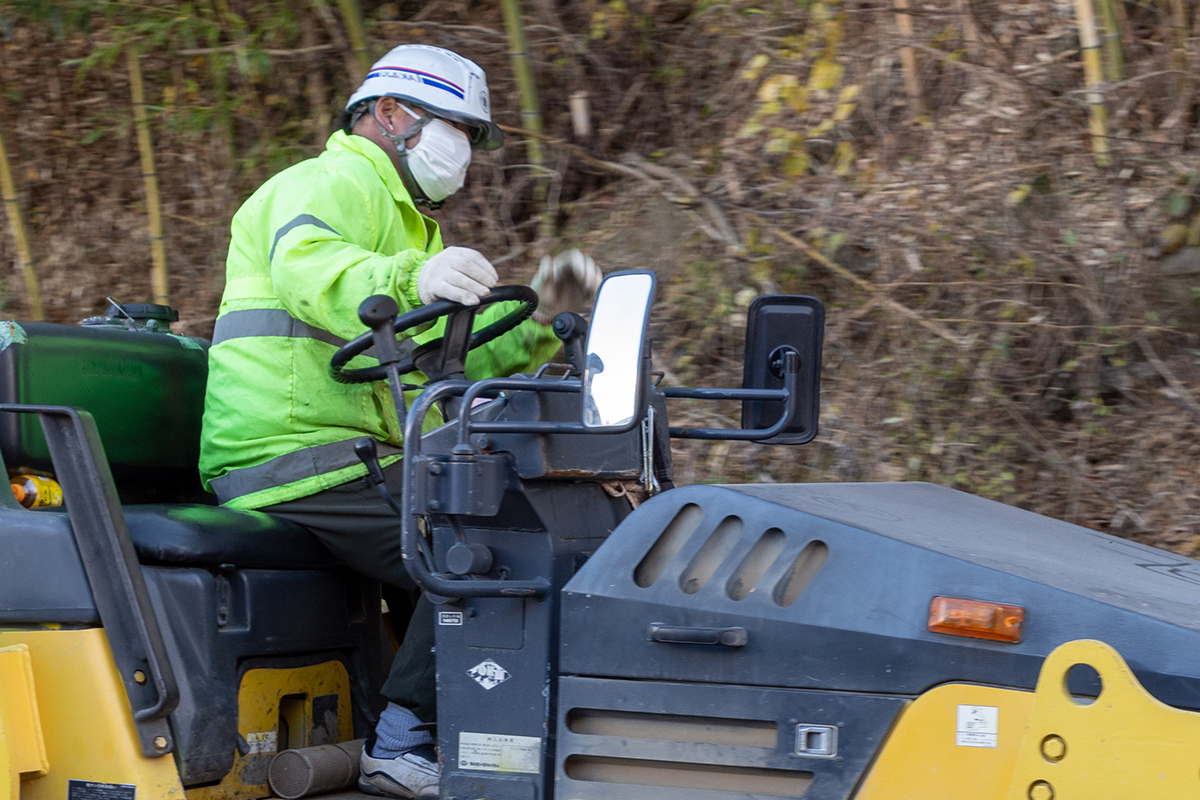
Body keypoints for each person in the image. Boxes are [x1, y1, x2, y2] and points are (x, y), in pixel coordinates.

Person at [199, 44, 601, 799]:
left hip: (351, 453)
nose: (468, 154)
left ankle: (463, 730)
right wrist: (406, 278)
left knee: (495, 516)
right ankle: (401, 743)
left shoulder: (411, 227)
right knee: (479, 538)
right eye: (459, 129)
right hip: (292, 453)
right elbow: (312, 269)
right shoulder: (323, 184)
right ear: (392, 115)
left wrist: (547, 318)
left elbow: (460, 346)